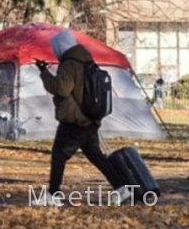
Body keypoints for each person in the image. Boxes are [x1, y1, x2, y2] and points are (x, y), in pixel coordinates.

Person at [31, 29, 130, 207]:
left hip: (74, 120)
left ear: (61, 46)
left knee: (58, 155)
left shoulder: (70, 63)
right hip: (90, 118)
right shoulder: (86, 60)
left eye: (55, 48)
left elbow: (61, 88)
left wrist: (44, 73)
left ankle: (53, 194)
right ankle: (122, 188)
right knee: (96, 156)